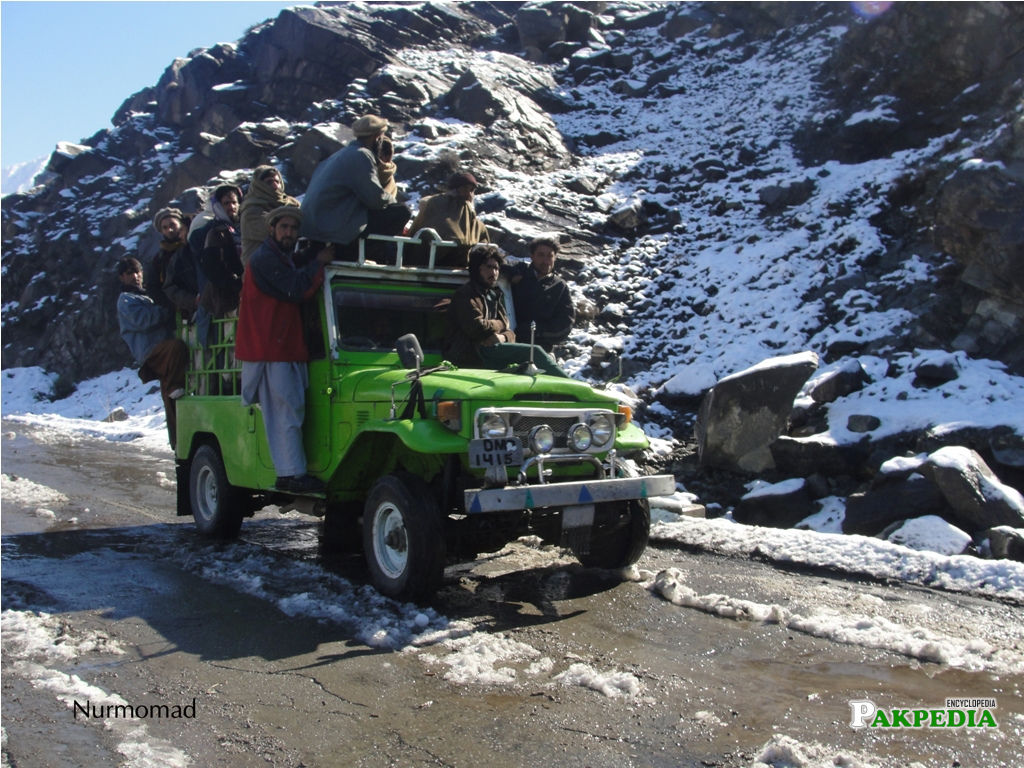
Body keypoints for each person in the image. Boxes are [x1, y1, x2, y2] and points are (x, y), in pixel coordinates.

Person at [236, 206, 334, 494]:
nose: (289, 233)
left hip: (279, 346)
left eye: (293, 228)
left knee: (285, 411)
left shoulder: (278, 258)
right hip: (273, 347)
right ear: (272, 229)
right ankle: (293, 474)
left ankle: (289, 472)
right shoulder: (265, 259)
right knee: (286, 411)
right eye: (284, 228)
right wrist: (319, 263)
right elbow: (295, 289)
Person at [445, 245, 567, 378]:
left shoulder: (494, 296)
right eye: (489, 267)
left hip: (490, 352)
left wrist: (502, 337)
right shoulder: (466, 294)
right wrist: (500, 325)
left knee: (532, 361)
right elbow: (476, 327)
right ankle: (574, 387)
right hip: (470, 354)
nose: (494, 272)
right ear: (477, 268)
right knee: (534, 352)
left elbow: (511, 332)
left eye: (496, 268)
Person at [300, 114, 411, 259]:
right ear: (377, 137)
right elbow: (375, 199)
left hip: (314, 228)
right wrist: (392, 201)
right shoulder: (362, 155)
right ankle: (350, 254)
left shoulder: (336, 156)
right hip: (332, 230)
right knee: (402, 212)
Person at [115, 258, 189, 449]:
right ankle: (174, 386)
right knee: (177, 348)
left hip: (161, 348)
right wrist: (167, 310)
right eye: (130, 272)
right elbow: (144, 319)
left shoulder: (146, 295)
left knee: (170, 400)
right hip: (151, 351)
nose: (135, 276)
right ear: (122, 277)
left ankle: (178, 444)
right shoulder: (126, 300)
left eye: (138, 271)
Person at [408, 172, 490, 267]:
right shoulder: (438, 203)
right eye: (464, 188)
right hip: (431, 260)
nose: (469, 194)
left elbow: (484, 243)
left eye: (472, 190)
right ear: (455, 189)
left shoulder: (473, 217)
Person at [508, 236, 575, 351]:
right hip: (509, 345)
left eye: (550, 255)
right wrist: (510, 273)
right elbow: (494, 271)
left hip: (541, 349)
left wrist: (536, 331)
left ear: (555, 258)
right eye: (541, 255)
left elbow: (565, 324)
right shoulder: (520, 274)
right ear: (532, 256)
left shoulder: (560, 286)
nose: (545, 260)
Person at [239, 165, 299, 265]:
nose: (275, 186)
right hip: (260, 273)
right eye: (269, 182)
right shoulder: (251, 212)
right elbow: (279, 233)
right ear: (259, 185)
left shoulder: (291, 204)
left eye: (277, 182)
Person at [149, 207, 200, 322]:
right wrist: (173, 306)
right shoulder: (160, 259)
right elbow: (154, 288)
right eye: (165, 227)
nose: (170, 230)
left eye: (172, 225)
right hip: (178, 315)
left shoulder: (193, 246)